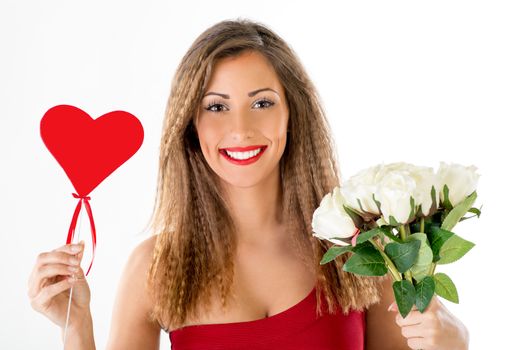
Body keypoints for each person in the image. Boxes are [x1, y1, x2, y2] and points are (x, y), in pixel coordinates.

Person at [27, 18, 469, 350]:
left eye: (262, 102)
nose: (240, 129)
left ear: (292, 113)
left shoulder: (367, 252)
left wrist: (455, 342)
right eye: (216, 107)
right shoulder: (154, 269)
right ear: (190, 125)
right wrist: (75, 326)